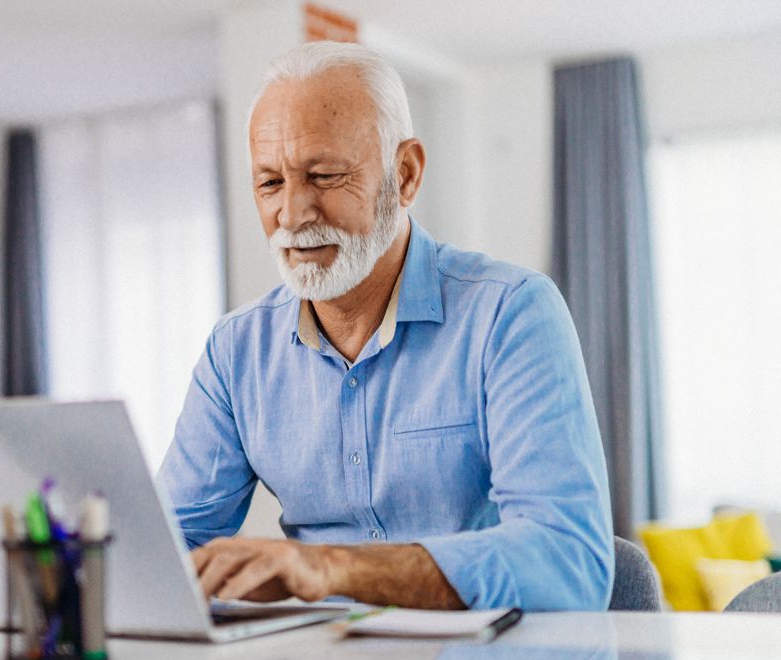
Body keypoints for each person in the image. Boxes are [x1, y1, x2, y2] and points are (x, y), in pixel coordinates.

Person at [156, 41, 613, 611]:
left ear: (406, 173)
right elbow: (164, 554)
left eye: (323, 175)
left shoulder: (510, 314)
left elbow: (568, 563)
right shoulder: (236, 351)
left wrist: (333, 568)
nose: (293, 214)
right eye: (270, 183)